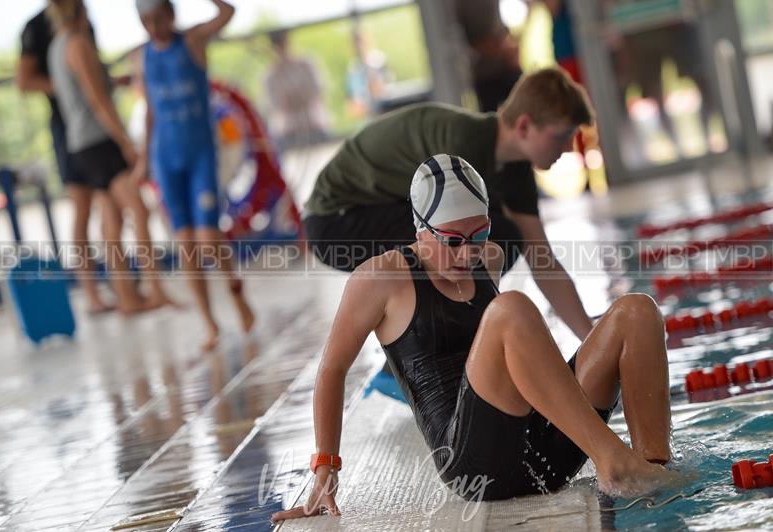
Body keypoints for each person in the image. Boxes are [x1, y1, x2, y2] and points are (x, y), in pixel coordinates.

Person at [272, 155, 678, 522]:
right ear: (421, 229)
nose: (468, 254)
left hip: (547, 451)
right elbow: (332, 369)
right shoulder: (381, 279)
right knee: (510, 309)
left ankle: (654, 466)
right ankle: (613, 461)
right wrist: (326, 467)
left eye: (479, 235)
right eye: (453, 241)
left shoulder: (490, 259)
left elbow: (526, 361)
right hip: (477, 466)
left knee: (636, 311)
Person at [305, 67, 595, 342]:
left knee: (497, 237)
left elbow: (541, 258)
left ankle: (434, 344)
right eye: (561, 136)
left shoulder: (514, 165)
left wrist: (594, 340)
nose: (569, 147)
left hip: (376, 209)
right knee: (466, 240)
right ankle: (413, 352)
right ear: (524, 126)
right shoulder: (463, 148)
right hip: (337, 223)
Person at [134, 0, 255, 351]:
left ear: (171, 14)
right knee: (186, 245)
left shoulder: (192, 41)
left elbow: (228, 14)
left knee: (208, 238)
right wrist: (143, 159)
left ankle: (237, 295)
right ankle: (209, 324)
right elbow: (150, 112)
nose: (154, 27)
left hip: (201, 155)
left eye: (159, 19)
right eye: (147, 22)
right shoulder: (142, 56)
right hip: (165, 159)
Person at [47, 0, 174, 314]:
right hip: (99, 141)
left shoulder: (56, 45)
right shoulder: (78, 42)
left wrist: (113, 81)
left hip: (79, 143)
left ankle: (128, 298)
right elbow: (96, 97)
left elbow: (83, 89)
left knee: (111, 222)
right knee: (139, 211)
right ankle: (155, 289)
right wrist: (126, 141)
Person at [17, 7, 114, 313]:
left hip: (94, 124)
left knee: (111, 205)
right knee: (83, 207)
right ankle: (92, 293)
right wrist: (67, 83)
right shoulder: (36, 27)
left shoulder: (82, 14)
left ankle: (122, 285)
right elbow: (24, 80)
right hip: (67, 126)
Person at [263, 29, 329, 150]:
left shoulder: (306, 64)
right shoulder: (270, 75)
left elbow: (316, 92)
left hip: (314, 124)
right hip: (288, 131)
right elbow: (277, 104)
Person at [455, 0, 522, 112]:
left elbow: (501, 26)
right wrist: (499, 48)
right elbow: (465, 43)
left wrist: (510, 46)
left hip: (508, 68)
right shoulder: (461, 4)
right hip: (486, 76)